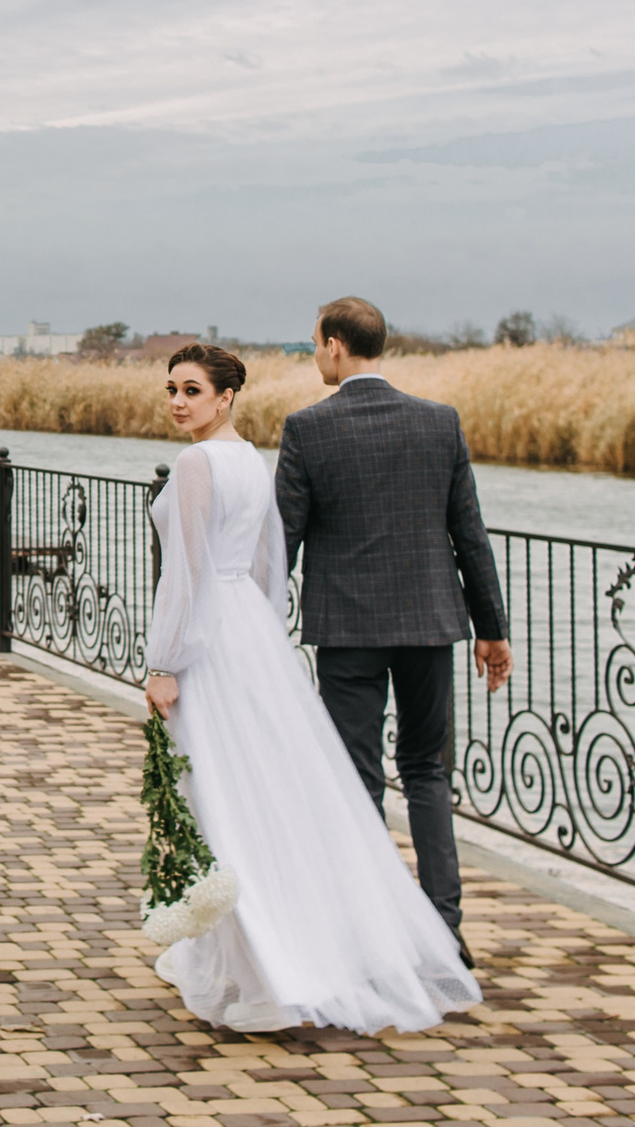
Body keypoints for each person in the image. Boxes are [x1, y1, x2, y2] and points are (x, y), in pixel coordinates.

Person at [141, 342, 479, 1034]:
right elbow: (268, 563)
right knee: (260, 789)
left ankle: (262, 961)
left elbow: (186, 573)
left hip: (210, 632)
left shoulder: (198, 462)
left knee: (220, 793)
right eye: (172, 389)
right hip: (250, 632)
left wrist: (164, 659)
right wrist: (262, 637)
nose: (178, 401)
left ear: (226, 395)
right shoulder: (249, 459)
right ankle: (249, 945)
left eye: (192, 390)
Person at [275, 296, 512, 962]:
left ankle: (373, 926)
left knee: (359, 779)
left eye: (316, 342)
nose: (317, 352)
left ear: (335, 346)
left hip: (348, 627)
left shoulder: (307, 429)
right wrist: (491, 629)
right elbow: (470, 536)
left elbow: (282, 542)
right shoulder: (439, 423)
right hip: (431, 623)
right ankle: (443, 927)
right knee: (427, 772)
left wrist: (258, 626)